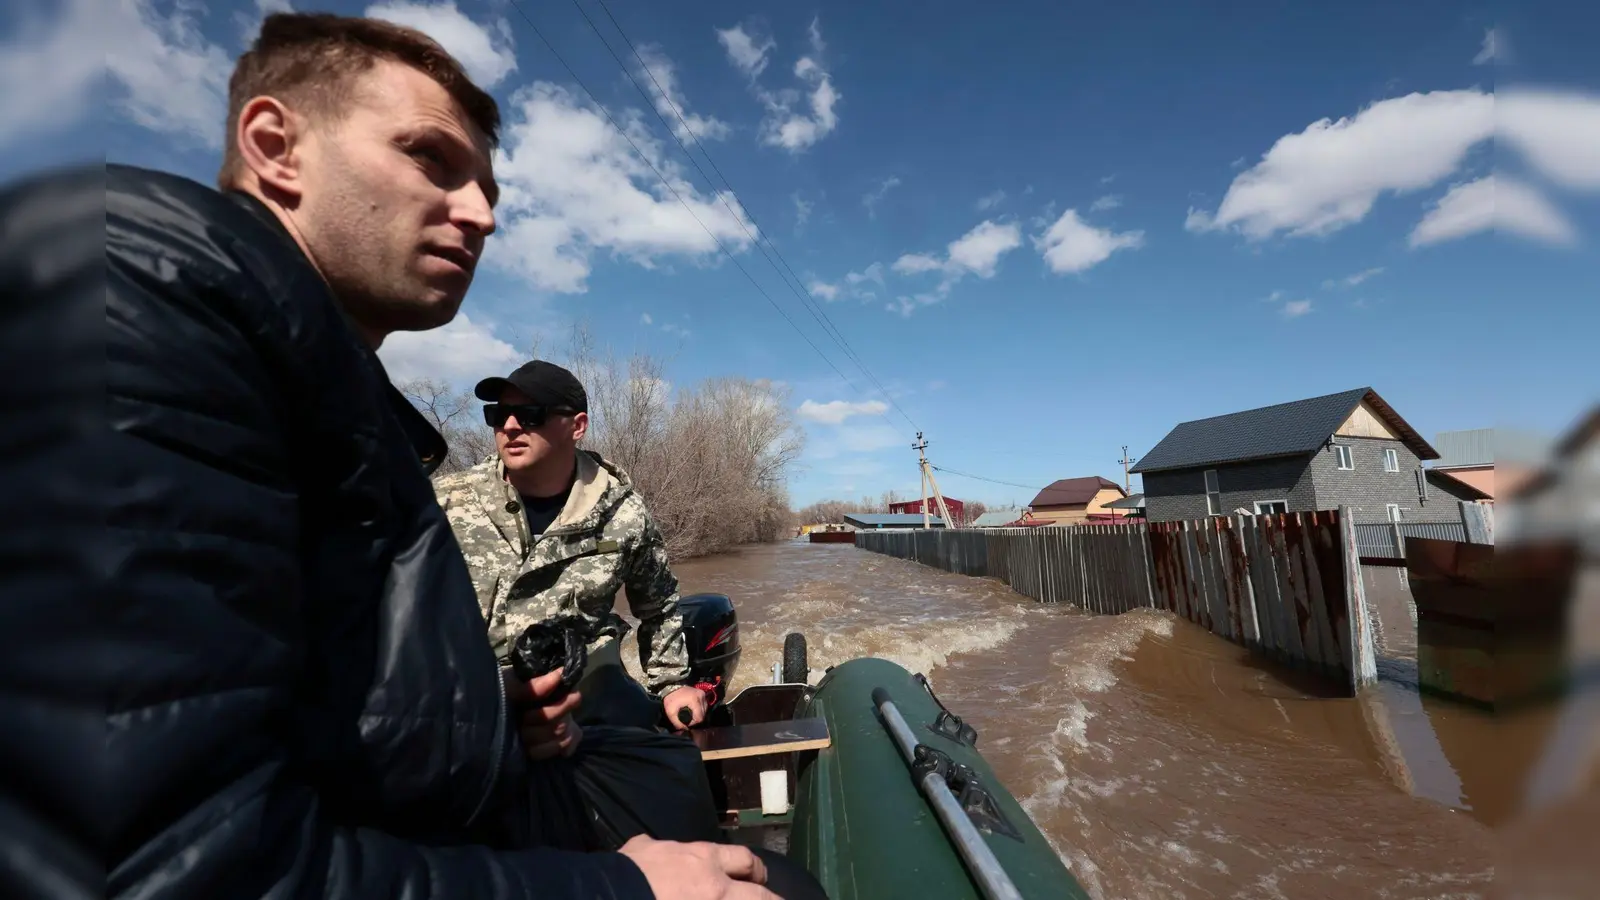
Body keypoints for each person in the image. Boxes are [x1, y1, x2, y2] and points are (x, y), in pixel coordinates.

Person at [45, 11, 781, 900]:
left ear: (573, 427)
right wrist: (626, 892)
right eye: (431, 158)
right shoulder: (144, 321)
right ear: (277, 146)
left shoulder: (341, 414)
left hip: (520, 749)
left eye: (488, 190)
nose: (479, 213)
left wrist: (483, 722)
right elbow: (155, 856)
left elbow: (307, 698)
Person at [433, 360, 707, 747]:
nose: (510, 426)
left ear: (577, 426)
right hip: (469, 700)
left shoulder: (623, 514)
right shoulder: (445, 502)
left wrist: (672, 684)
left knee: (667, 776)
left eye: (530, 414)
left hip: (586, 697)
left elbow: (659, 606)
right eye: (498, 414)